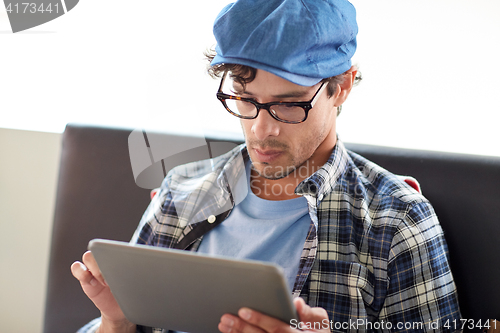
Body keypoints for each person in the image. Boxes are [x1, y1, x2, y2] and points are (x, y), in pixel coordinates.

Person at [71, 0, 462, 332]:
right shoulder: (181, 192)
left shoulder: (397, 222)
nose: (261, 129)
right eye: (245, 98)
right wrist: (116, 324)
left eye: (289, 103)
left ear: (341, 85)